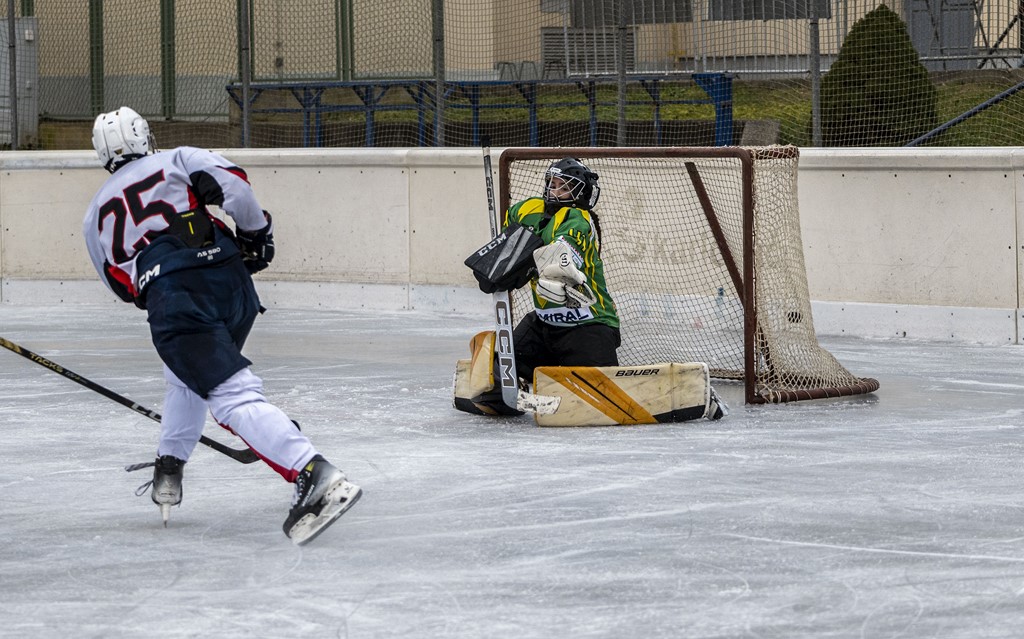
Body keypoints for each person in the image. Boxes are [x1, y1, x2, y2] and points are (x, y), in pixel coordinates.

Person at [82, 106, 360, 545]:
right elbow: (234, 184)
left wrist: (164, 289)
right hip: (232, 283)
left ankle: (313, 471)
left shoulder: (95, 214)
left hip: (175, 296)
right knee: (189, 374)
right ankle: (169, 464)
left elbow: (120, 284)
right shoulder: (178, 158)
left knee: (229, 395)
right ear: (144, 137)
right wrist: (254, 236)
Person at [458, 157, 621, 415]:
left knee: (600, 393)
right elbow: (510, 246)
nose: (554, 191)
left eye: (563, 186)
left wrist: (542, 266)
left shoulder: (578, 218)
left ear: (580, 193)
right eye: (552, 183)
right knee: (497, 373)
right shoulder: (528, 210)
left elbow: (562, 257)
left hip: (588, 326)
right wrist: (497, 266)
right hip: (543, 325)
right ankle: (515, 394)